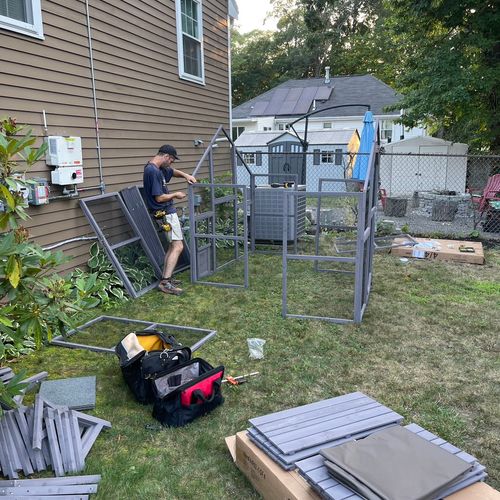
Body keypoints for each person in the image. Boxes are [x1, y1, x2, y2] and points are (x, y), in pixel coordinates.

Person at [143, 144, 196, 295]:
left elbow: (173, 172)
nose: (172, 163)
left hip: (166, 212)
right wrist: (175, 194)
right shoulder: (152, 171)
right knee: (178, 246)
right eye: (171, 160)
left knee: (173, 246)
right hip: (164, 213)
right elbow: (159, 197)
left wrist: (187, 176)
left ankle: (166, 279)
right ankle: (165, 283)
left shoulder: (158, 168)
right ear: (166, 156)